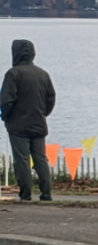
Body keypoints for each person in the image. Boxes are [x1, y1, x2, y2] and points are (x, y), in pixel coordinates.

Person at [1, 38, 56, 202]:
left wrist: (5, 116)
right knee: (40, 159)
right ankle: (46, 193)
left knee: (22, 160)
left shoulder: (13, 74)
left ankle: (25, 194)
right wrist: (43, 113)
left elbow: (6, 101)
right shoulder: (43, 74)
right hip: (39, 123)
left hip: (18, 125)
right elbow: (51, 99)